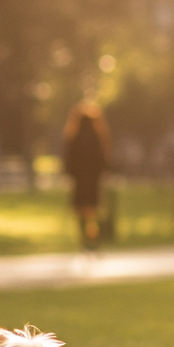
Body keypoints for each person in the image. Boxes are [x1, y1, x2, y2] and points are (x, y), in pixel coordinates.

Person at [62, 102, 112, 250]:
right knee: (93, 212)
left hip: (79, 181)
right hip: (93, 181)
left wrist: (71, 175)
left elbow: (69, 160)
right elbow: (103, 159)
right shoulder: (97, 137)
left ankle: (84, 240)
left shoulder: (74, 137)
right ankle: (94, 239)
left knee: (81, 212)